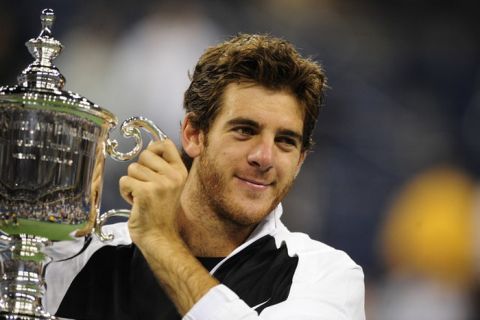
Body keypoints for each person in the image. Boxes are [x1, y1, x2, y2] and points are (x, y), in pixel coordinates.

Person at [45, 33, 365, 320]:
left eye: (285, 141)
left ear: (299, 161)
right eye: (244, 130)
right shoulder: (82, 256)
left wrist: (160, 240)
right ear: (194, 134)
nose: (264, 157)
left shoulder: (326, 275)